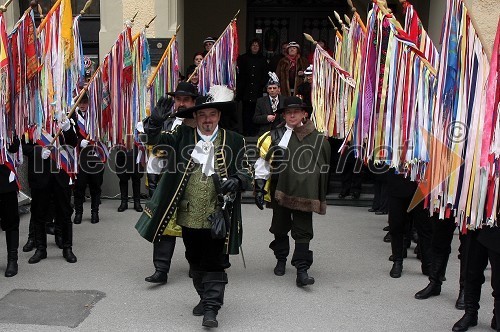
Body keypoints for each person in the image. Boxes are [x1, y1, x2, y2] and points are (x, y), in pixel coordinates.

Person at [135, 85, 252, 328]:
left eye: (212, 115)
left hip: (218, 215)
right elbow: (153, 141)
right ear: (195, 118)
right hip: (187, 214)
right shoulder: (181, 137)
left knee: (214, 261)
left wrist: (238, 180)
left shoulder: (235, 140)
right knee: (194, 259)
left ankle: (212, 307)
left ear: (219, 116)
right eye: (202, 115)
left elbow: (247, 170)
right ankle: (204, 296)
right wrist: (154, 122)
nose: (207, 120)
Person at [254, 96, 331, 287]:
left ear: (304, 113)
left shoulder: (317, 138)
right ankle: (281, 258)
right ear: (283, 115)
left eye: (296, 111)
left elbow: (323, 166)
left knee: (303, 230)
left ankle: (302, 269)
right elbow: (262, 164)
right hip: (280, 189)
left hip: (305, 192)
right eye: (288, 112)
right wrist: (258, 187)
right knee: (279, 227)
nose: (292, 115)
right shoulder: (274, 136)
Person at [143, 81, 197, 284]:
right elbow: (155, 149)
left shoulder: (201, 122)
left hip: (193, 180)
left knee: (193, 227)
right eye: (178, 100)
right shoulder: (166, 121)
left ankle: (195, 265)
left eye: (186, 100)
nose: (181, 104)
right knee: (164, 226)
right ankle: (161, 269)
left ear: (194, 102)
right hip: (169, 180)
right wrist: (153, 179)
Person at [22, 116, 78, 264]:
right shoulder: (31, 122)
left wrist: (67, 129)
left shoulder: (63, 118)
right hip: (40, 175)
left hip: (60, 173)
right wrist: (38, 151)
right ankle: (41, 249)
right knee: (39, 212)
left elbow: (73, 143)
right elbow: (24, 146)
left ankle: (67, 247)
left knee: (65, 212)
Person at [452, 227, 500, 332]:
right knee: (472, 267)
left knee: (498, 273)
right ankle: (470, 313)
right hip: (477, 219)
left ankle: (497, 315)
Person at [73, 93, 105, 224]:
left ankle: (94, 212)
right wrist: (79, 141)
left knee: (95, 186)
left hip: (95, 155)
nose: (82, 105)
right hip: (80, 157)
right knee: (79, 186)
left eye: (85, 102)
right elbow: (68, 135)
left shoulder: (96, 116)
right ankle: (78, 212)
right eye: (80, 102)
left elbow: (102, 132)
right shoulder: (73, 117)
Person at [236, 38, 268, 136]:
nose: (255, 47)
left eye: (257, 45)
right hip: (245, 90)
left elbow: (265, 74)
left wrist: (262, 84)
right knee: (245, 112)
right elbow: (239, 74)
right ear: (250, 47)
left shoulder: (262, 59)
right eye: (253, 45)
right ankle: (246, 131)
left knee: (256, 111)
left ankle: (255, 131)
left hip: (257, 90)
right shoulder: (243, 58)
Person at [0, 135, 21, 277]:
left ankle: (12, 260)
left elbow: (14, 147)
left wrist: (6, 133)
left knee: (11, 221)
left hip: (6, 179)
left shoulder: (7, 121)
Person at [253, 72, 284, 137]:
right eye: (270, 88)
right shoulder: (260, 101)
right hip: (265, 133)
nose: (272, 90)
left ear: (279, 89)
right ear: (267, 90)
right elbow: (255, 119)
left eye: (274, 88)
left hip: (282, 133)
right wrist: (266, 118)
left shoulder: (284, 100)